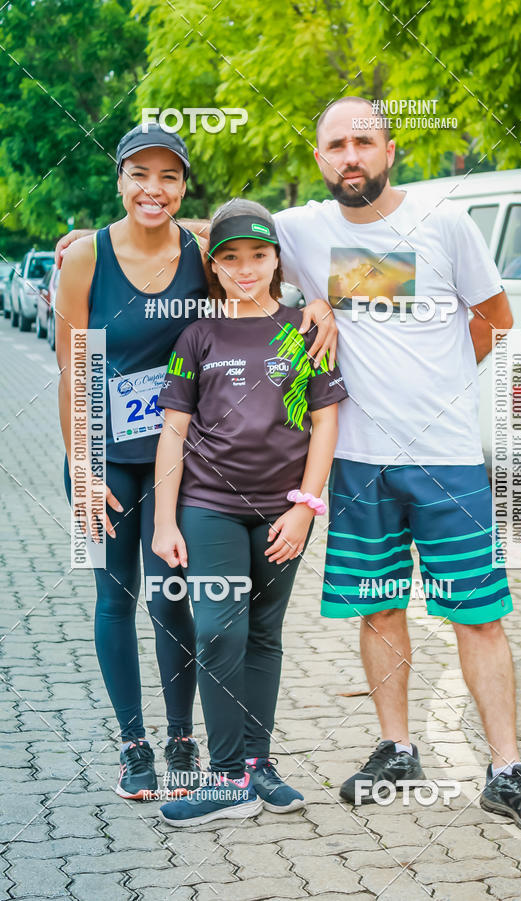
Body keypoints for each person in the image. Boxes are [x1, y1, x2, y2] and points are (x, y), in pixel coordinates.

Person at [269, 96, 521, 834]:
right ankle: (397, 748)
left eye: (363, 141)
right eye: (336, 144)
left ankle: (506, 767)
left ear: (391, 148)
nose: (350, 156)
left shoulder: (444, 224)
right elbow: (215, 240)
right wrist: (313, 299)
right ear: (319, 159)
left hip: (449, 460)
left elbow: (496, 317)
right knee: (378, 605)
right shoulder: (302, 230)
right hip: (359, 464)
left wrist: (440, 383)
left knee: (479, 615)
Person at [151, 198, 348, 826]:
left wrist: (305, 509)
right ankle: (227, 774)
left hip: (283, 512)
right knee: (217, 629)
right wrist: (162, 520)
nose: (245, 268)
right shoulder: (198, 334)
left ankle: (259, 765)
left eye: (258, 256)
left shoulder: (303, 330)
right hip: (208, 507)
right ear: (214, 265)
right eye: (231, 258)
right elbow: (172, 433)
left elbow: (325, 423)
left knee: (264, 634)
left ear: (275, 261)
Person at [56, 123, 208, 800]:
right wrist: (84, 468)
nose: (153, 188)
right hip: (102, 455)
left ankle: (182, 736)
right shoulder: (87, 258)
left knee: (172, 596)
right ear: (118, 180)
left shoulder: (201, 254)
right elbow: (73, 368)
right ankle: (131, 744)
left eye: (168, 176)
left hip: (179, 458)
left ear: (183, 185)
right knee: (112, 596)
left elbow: (259, 239)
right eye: (139, 174)